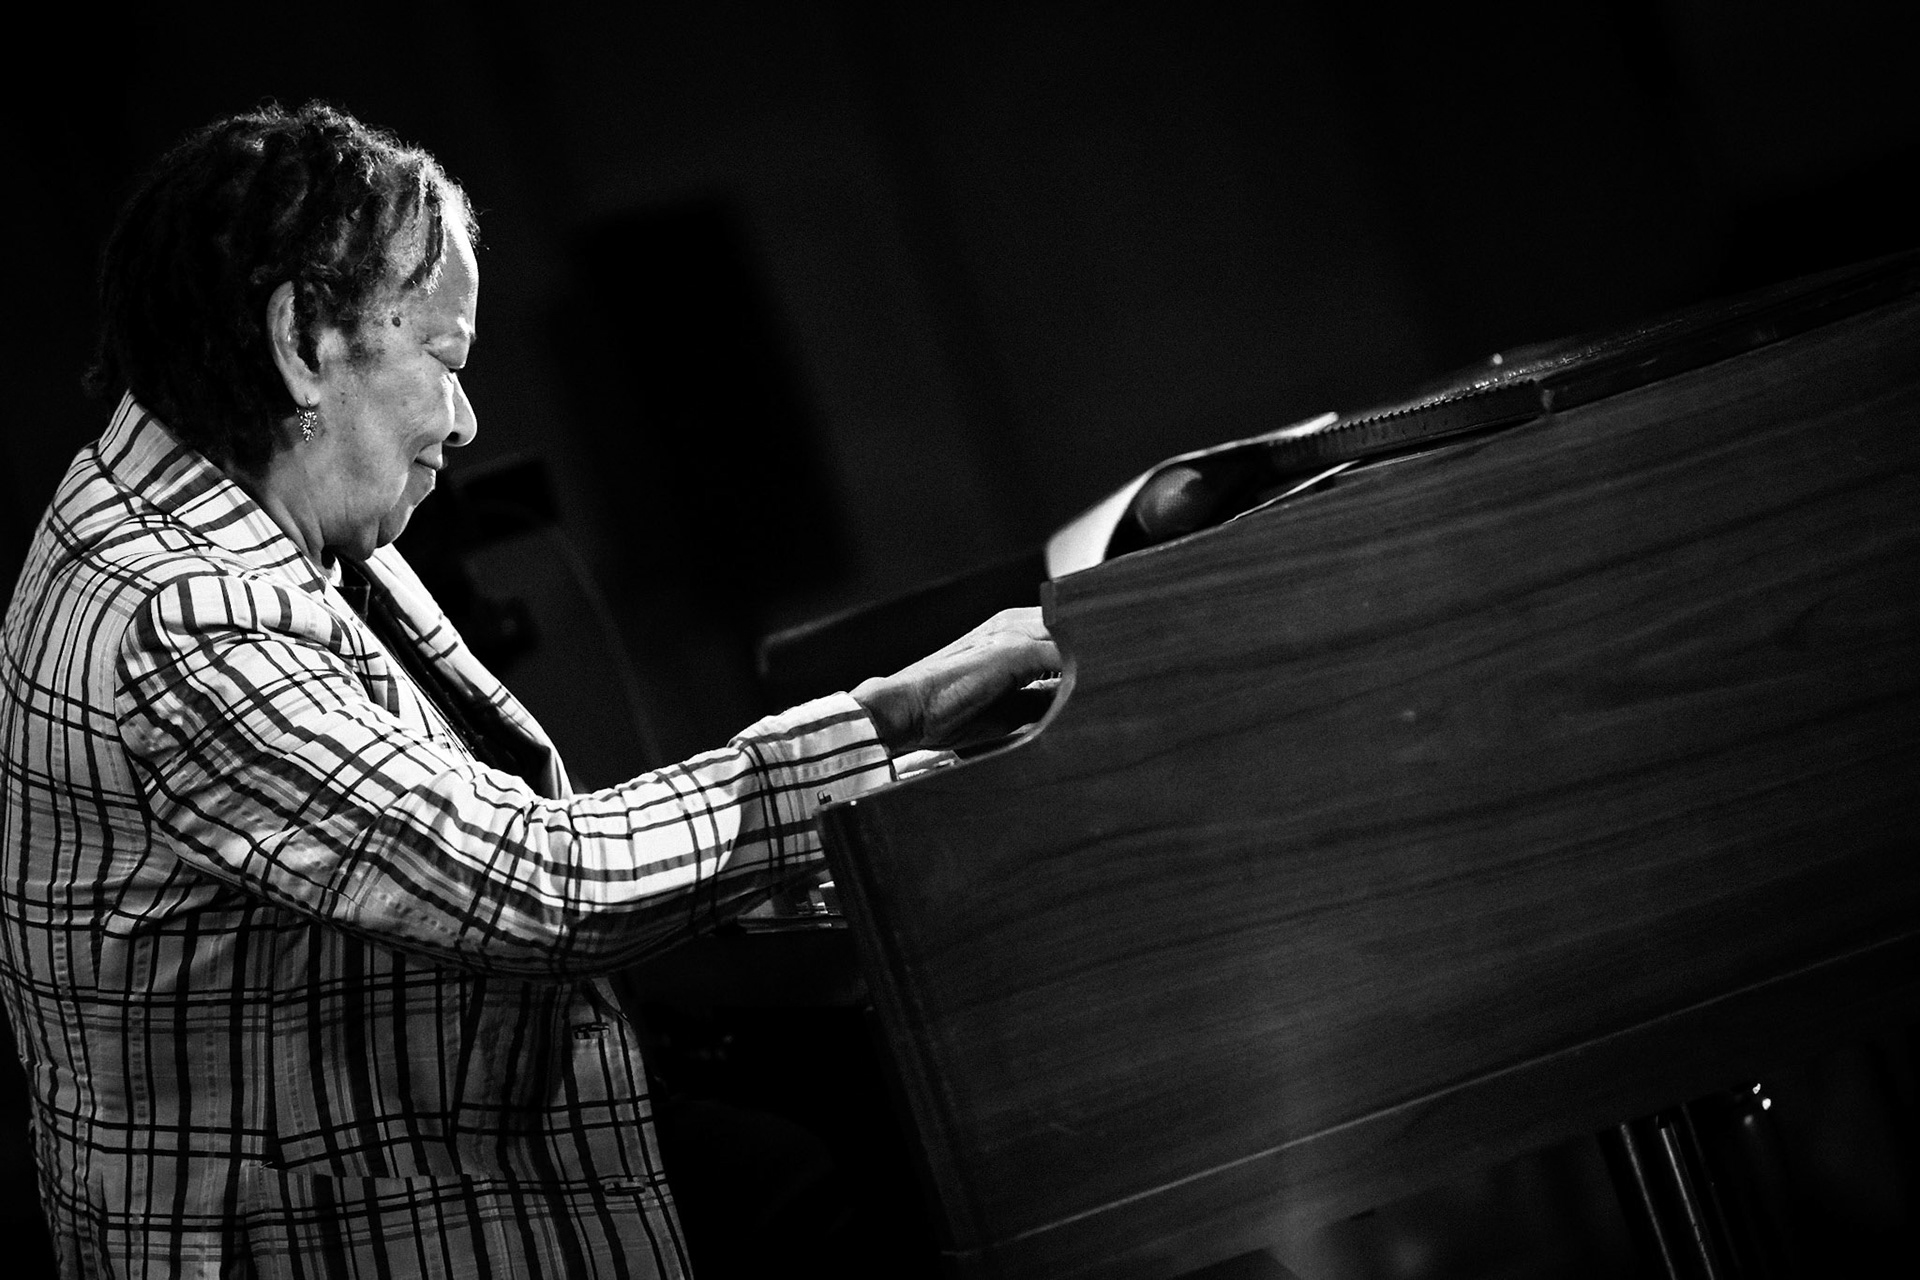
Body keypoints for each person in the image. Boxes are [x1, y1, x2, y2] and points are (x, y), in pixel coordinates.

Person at [0, 101, 1057, 1279]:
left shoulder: (225, 493)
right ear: (302, 339)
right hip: (338, 1234)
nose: (463, 421)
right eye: (444, 360)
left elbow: (474, 839)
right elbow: (533, 883)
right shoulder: (183, 617)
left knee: (806, 1166)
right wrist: (891, 718)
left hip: (406, 1138)